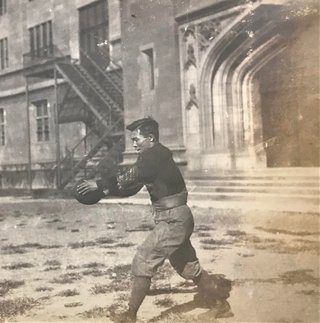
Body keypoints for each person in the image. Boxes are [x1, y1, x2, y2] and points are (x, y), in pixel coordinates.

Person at [77, 117, 231, 322]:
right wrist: (105, 190)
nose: (133, 143)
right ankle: (221, 304)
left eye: (136, 139)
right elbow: (132, 186)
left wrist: (99, 182)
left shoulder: (154, 156)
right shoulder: (153, 157)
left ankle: (130, 315)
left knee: (143, 260)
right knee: (187, 266)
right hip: (175, 217)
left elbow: (131, 175)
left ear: (150, 138)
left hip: (173, 220)